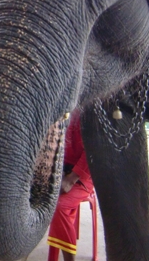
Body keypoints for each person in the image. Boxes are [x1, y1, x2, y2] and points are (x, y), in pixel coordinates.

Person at [47, 109, 94, 261]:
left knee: (59, 206)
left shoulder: (91, 112)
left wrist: (71, 179)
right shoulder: (61, 109)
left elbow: (92, 152)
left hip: (83, 176)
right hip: (60, 171)